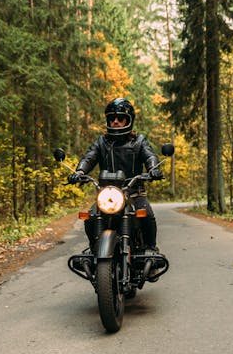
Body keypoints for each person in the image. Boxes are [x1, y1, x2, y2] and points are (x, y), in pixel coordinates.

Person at [68, 97, 163, 252]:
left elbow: (150, 155)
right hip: (108, 195)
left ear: (129, 121)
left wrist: (153, 169)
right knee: (90, 217)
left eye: (121, 118)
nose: (116, 122)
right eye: (112, 118)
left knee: (147, 215)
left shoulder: (138, 141)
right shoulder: (101, 142)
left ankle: (151, 249)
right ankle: (95, 249)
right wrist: (79, 171)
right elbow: (89, 157)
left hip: (134, 193)